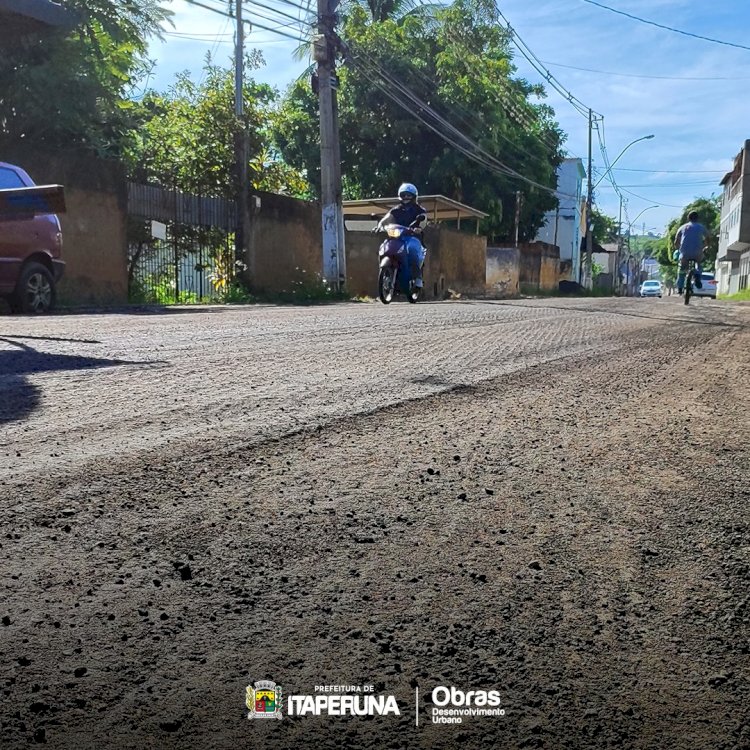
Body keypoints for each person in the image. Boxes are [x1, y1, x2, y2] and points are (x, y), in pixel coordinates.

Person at [375, 183, 427, 288]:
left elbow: (424, 220)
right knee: (384, 248)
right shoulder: (395, 210)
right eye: (404, 195)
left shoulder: (419, 210)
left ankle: (417, 277)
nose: (406, 197)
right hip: (397, 237)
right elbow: (386, 219)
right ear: (400, 196)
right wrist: (379, 226)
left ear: (414, 196)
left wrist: (419, 228)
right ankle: (387, 271)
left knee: (412, 249)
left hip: (412, 237)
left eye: (409, 195)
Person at [674, 211, 709, 295]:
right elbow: (708, 238)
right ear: (697, 218)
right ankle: (697, 276)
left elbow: (676, 241)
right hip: (697, 252)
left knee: (681, 269)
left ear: (688, 218)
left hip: (685, 253)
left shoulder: (682, 227)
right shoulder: (701, 227)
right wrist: (705, 246)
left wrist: (679, 249)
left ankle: (680, 288)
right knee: (699, 264)